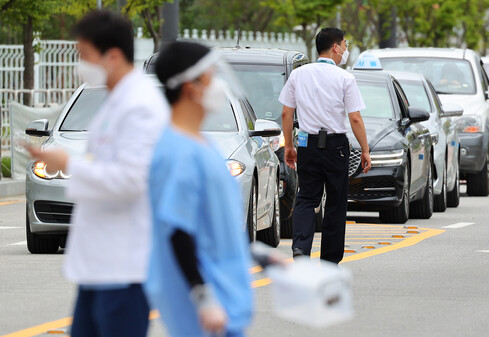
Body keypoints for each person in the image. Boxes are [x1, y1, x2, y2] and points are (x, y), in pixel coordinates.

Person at [27, 10, 169, 336]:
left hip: (123, 265)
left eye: (83, 55)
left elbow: (133, 179)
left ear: (113, 55)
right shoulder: (115, 100)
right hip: (98, 263)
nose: (80, 64)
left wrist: (69, 164)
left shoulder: (141, 105)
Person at [146, 41, 254, 337]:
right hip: (206, 313)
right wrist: (202, 297)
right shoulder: (178, 151)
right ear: (190, 86)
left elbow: (214, 227)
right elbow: (179, 232)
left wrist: (260, 256)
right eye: (210, 75)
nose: (218, 84)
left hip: (225, 300)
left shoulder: (201, 144)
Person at [278, 27, 372, 264]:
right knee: (336, 200)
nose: (345, 50)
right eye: (345, 45)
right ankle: (329, 260)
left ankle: (300, 248)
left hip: (307, 144)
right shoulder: (345, 78)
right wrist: (365, 149)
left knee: (307, 197)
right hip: (336, 146)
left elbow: (286, 113)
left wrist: (289, 146)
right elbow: (355, 118)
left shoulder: (299, 75)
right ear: (334, 47)